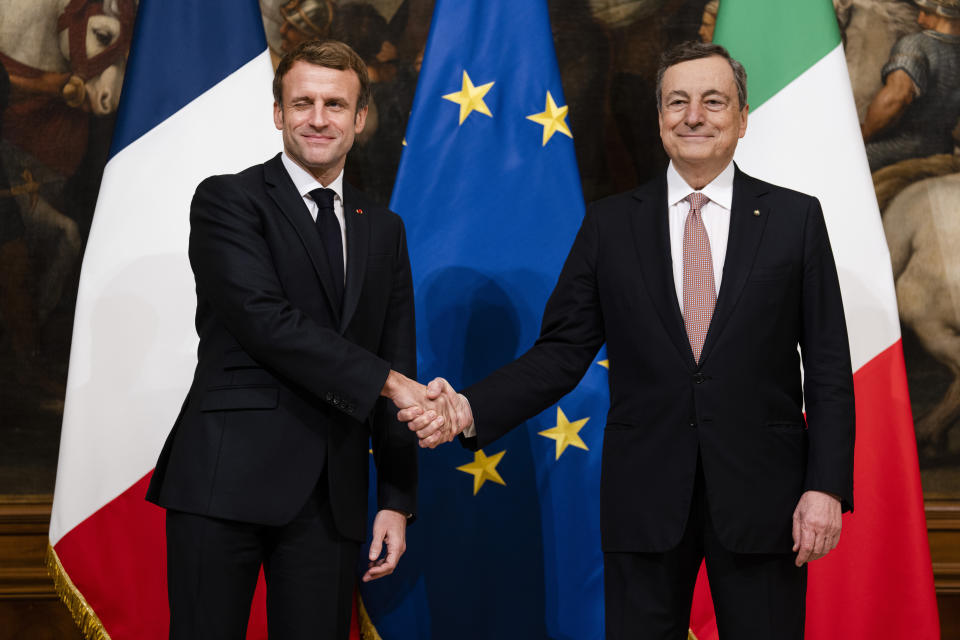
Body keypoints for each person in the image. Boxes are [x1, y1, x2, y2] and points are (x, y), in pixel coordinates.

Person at [404, 41, 855, 640]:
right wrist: (468, 407)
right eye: (678, 101)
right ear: (660, 117)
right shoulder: (610, 225)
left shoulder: (795, 219)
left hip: (764, 499)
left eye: (713, 101)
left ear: (743, 118)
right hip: (645, 498)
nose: (694, 115)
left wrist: (824, 486)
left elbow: (827, 368)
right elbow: (561, 353)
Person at [146, 39, 454, 640]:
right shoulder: (227, 200)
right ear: (278, 113)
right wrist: (390, 384)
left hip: (331, 496)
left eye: (335, 105)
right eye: (303, 102)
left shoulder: (384, 229)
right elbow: (265, 321)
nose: (319, 118)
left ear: (359, 119)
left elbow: (399, 353)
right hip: (222, 482)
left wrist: (396, 496)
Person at [862, 0, 960, 171]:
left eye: (926, 12)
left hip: (902, 148)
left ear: (942, 14)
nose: (920, 19)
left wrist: (863, 136)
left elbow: (896, 98)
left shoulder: (916, 45)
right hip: (944, 149)